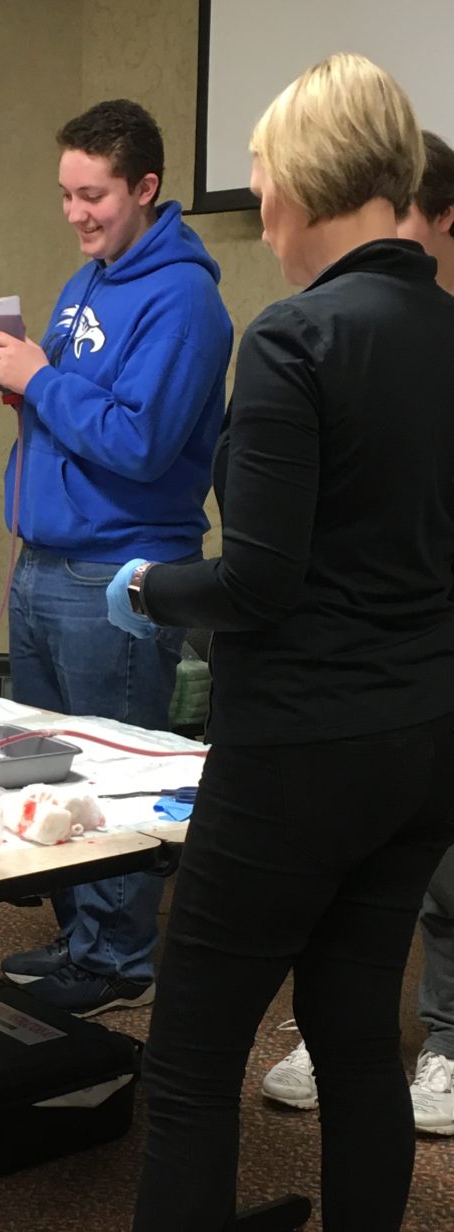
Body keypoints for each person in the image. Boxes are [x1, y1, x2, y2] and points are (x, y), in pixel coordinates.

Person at [0, 55, 454, 1232]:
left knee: (188, 1064)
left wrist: (154, 590)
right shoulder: (446, 328)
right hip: (422, 742)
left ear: (285, 187)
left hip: (296, 749)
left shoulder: (295, 337)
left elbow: (261, 583)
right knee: (360, 1043)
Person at [0, 100, 233, 1017]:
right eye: (66, 196)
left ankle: (119, 962)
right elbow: (78, 401)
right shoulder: (89, 280)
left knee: (115, 773)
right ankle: (83, 943)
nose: (76, 213)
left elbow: (144, 443)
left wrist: (42, 379)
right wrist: (28, 385)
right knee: (57, 772)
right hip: (49, 563)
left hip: (119, 574)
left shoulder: (185, 300)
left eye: (94, 196)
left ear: (147, 189)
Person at [263, 130, 454, 1136]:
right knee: (361, 904)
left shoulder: (394, 331)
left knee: (440, 866)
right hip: (391, 680)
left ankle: (450, 1032)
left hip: (400, 675)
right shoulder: (360, 333)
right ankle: (336, 1024)